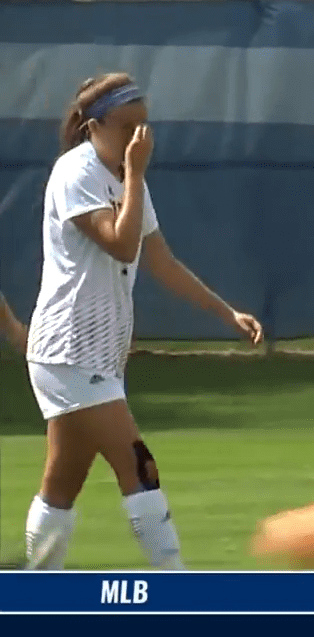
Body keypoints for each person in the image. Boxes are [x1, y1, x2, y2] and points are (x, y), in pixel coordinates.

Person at [24, 73, 264, 570]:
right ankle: (176, 591)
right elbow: (120, 243)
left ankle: (35, 591)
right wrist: (133, 175)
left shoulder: (127, 178)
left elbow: (162, 263)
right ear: (95, 126)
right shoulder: (78, 171)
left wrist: (227, 313)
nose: (140, 138)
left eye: (145, 126)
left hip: (98, 357)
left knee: (62, 483)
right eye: (129, 126)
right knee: (139, 464)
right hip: (68, 349)